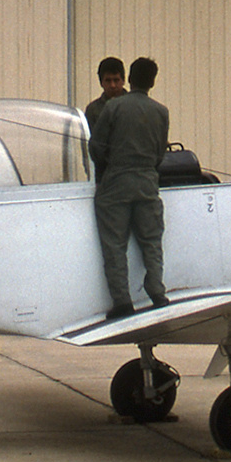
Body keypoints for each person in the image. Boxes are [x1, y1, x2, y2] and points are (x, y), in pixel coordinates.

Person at [89, 56, 168, 319]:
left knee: (114, 244)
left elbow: (96, 148)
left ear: (129, 79)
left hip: (116, 184)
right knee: (152, 240)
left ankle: (123, 301)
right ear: (152, 82)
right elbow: (159, 154)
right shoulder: (161, 111)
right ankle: (156, 289)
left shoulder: (112, 108)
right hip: (147, 183)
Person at [83, 56, 126, 131]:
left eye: (116, 80)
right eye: (108, 80)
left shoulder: (134, 105)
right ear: (101, 82)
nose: (112, 85)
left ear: (123, 81)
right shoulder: (93, 110)